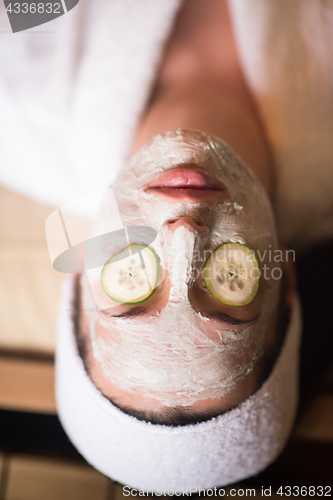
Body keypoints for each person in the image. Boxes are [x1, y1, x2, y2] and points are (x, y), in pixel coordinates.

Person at [1, 0, 332, 492]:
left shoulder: (15, 109)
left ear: (81, 271)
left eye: (132, 279)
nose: (184, 236)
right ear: (286, 290)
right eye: (227, 285)